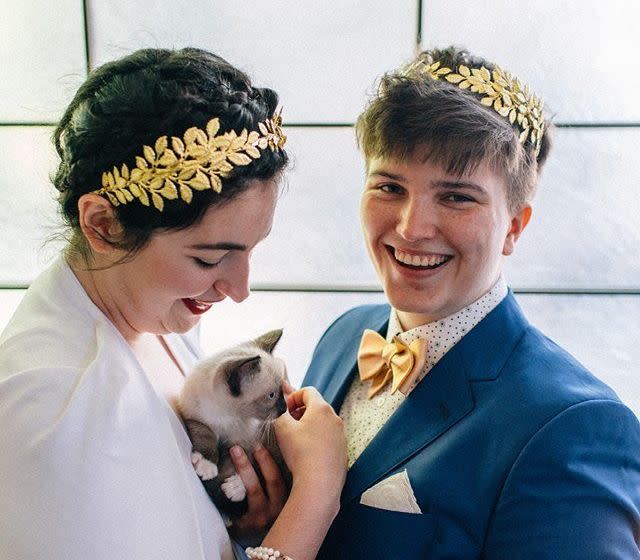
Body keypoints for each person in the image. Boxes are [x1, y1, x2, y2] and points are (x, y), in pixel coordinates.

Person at [0, 48, 346, 560]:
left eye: (251, 249)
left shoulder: (154, 315)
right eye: (209, 259)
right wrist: (315, 498)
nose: (239, 289)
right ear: (104, 225)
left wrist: (241, 525)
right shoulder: (54, 417)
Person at [303, 46, 640, 558]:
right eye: (390, 186)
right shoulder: (344, 336)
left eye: (457, 197)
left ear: (514, 226)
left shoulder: (574, 427)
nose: (412, 228)